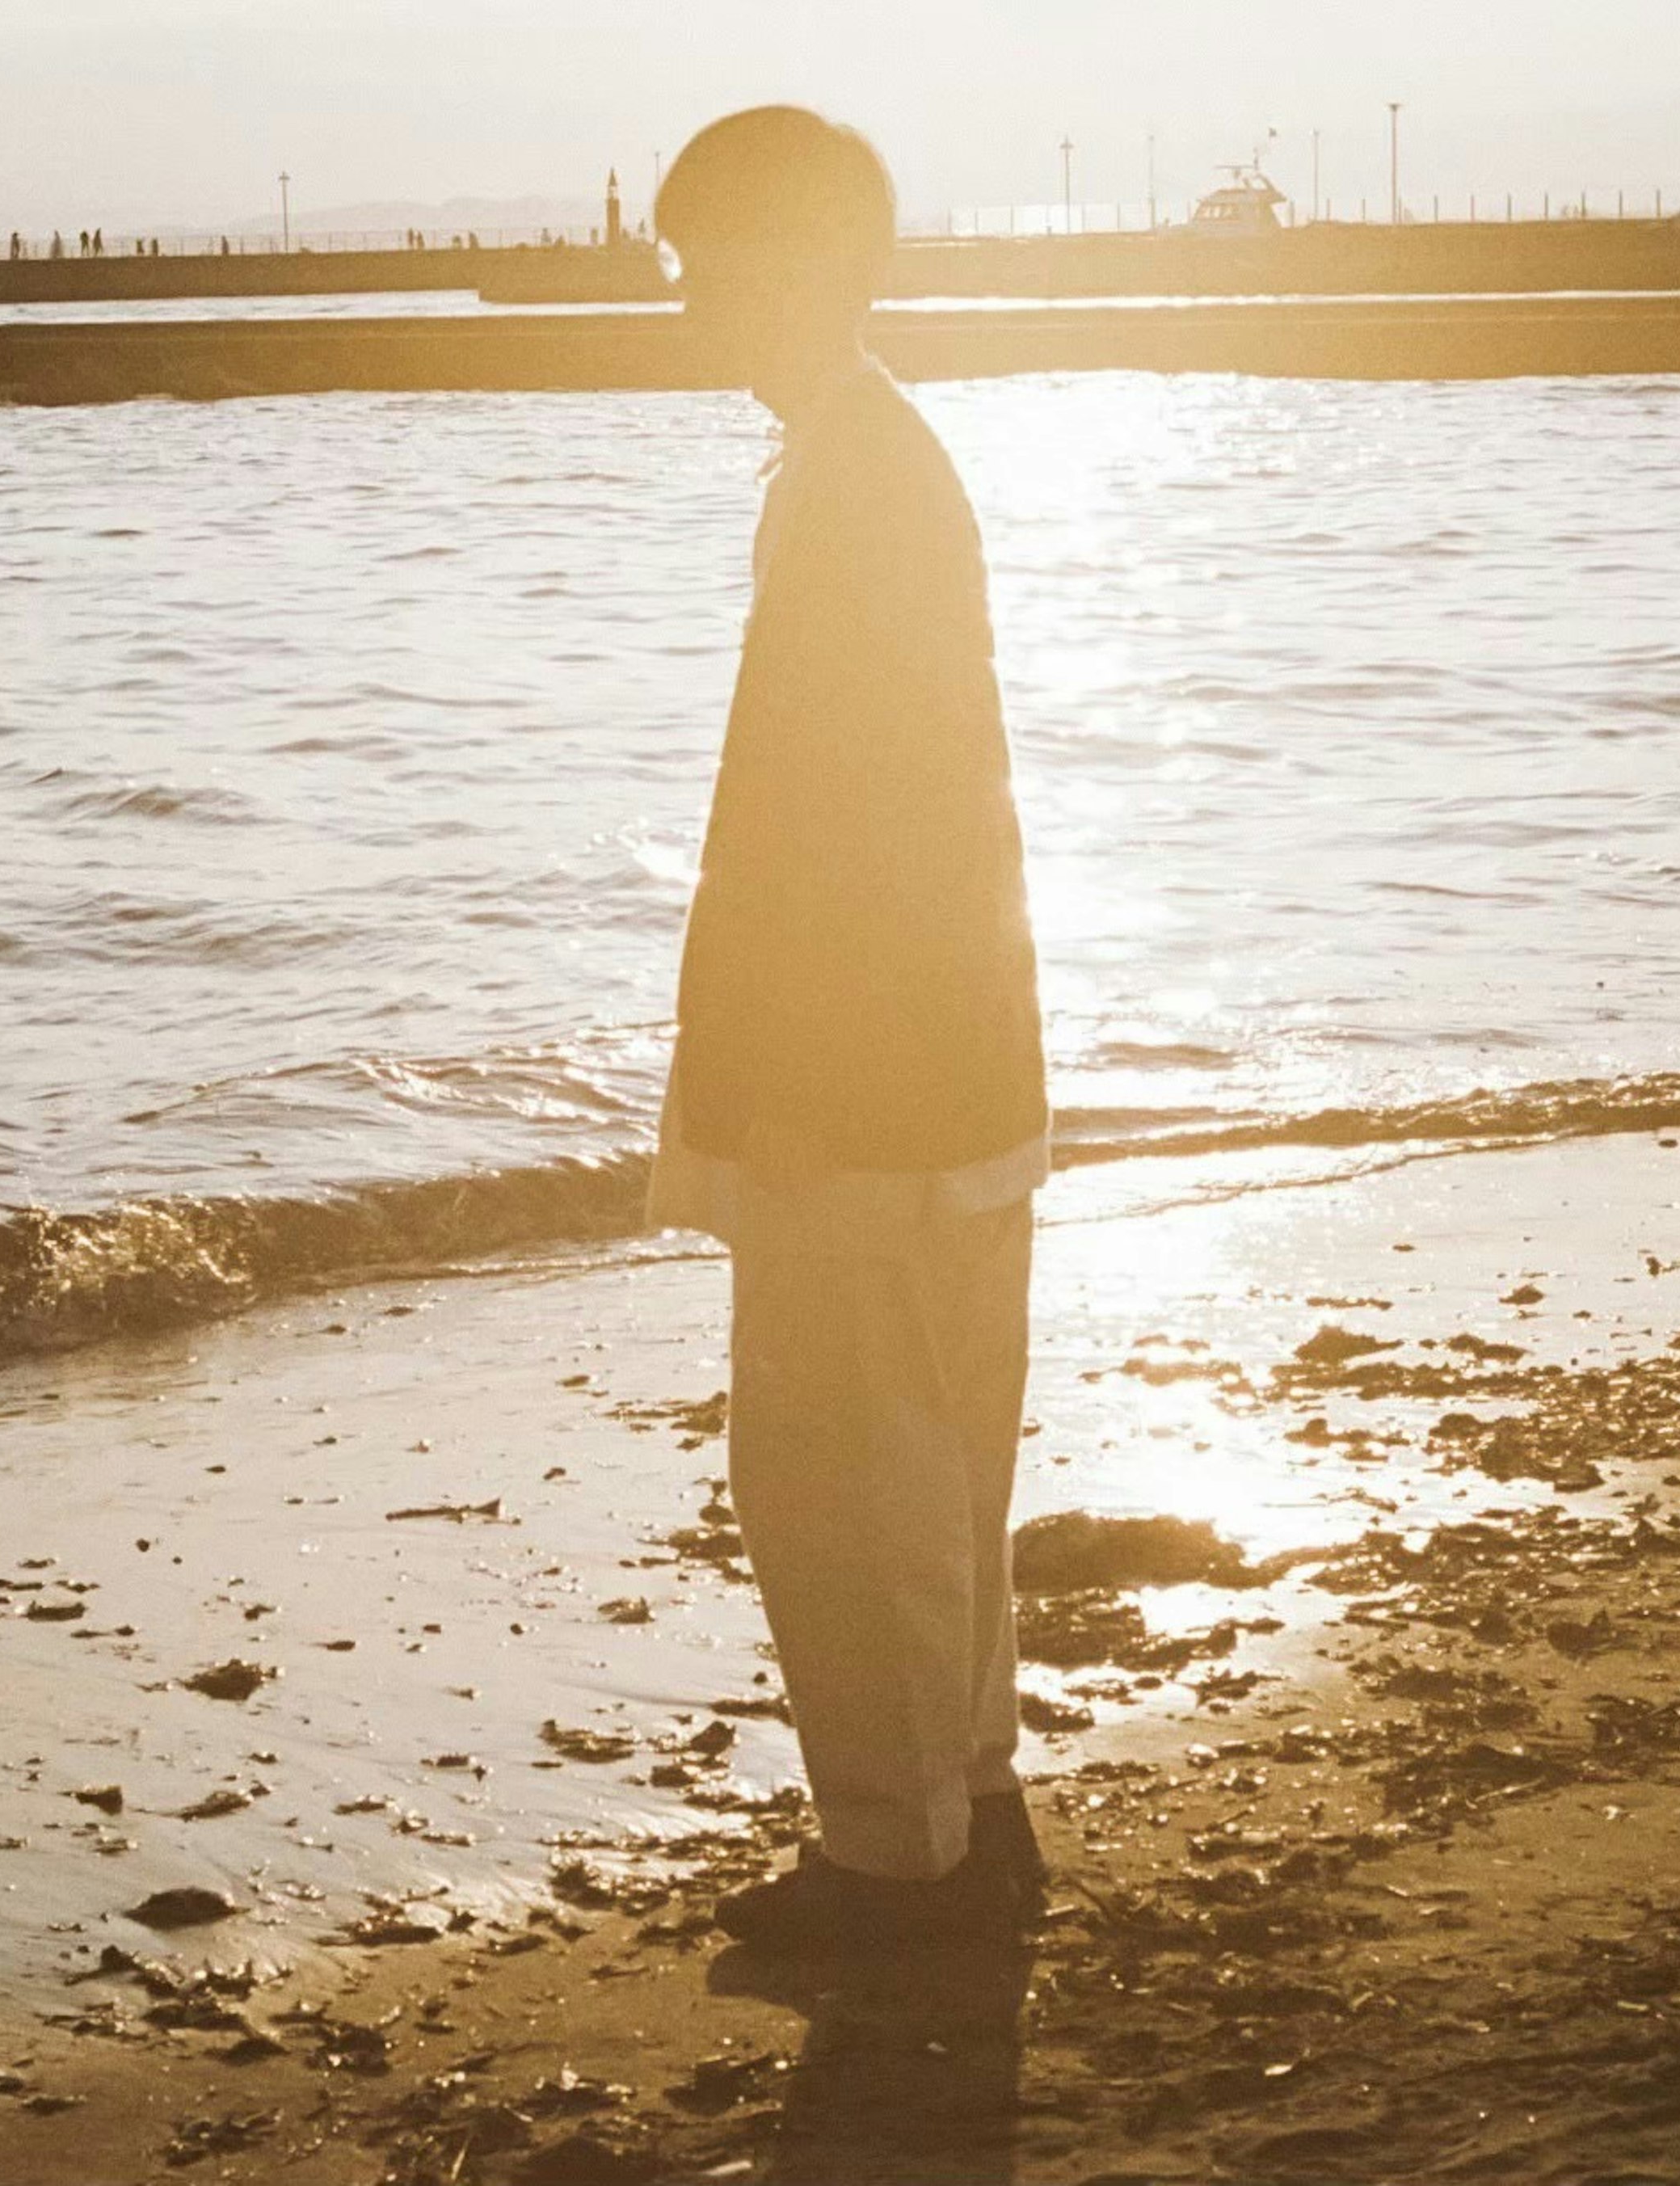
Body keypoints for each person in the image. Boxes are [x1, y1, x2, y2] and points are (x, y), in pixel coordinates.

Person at [646, 105, 1049, 1958]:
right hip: (958, 1039)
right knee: (946, 1444)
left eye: (706, 265)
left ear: (802, 264)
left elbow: (821, 814)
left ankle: (892, 1860)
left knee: (834, 1457)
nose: (689, 305)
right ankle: (965, 1797)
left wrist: (783, 1087)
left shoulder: (857, 476)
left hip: (871, 1067)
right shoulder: (879, 455)